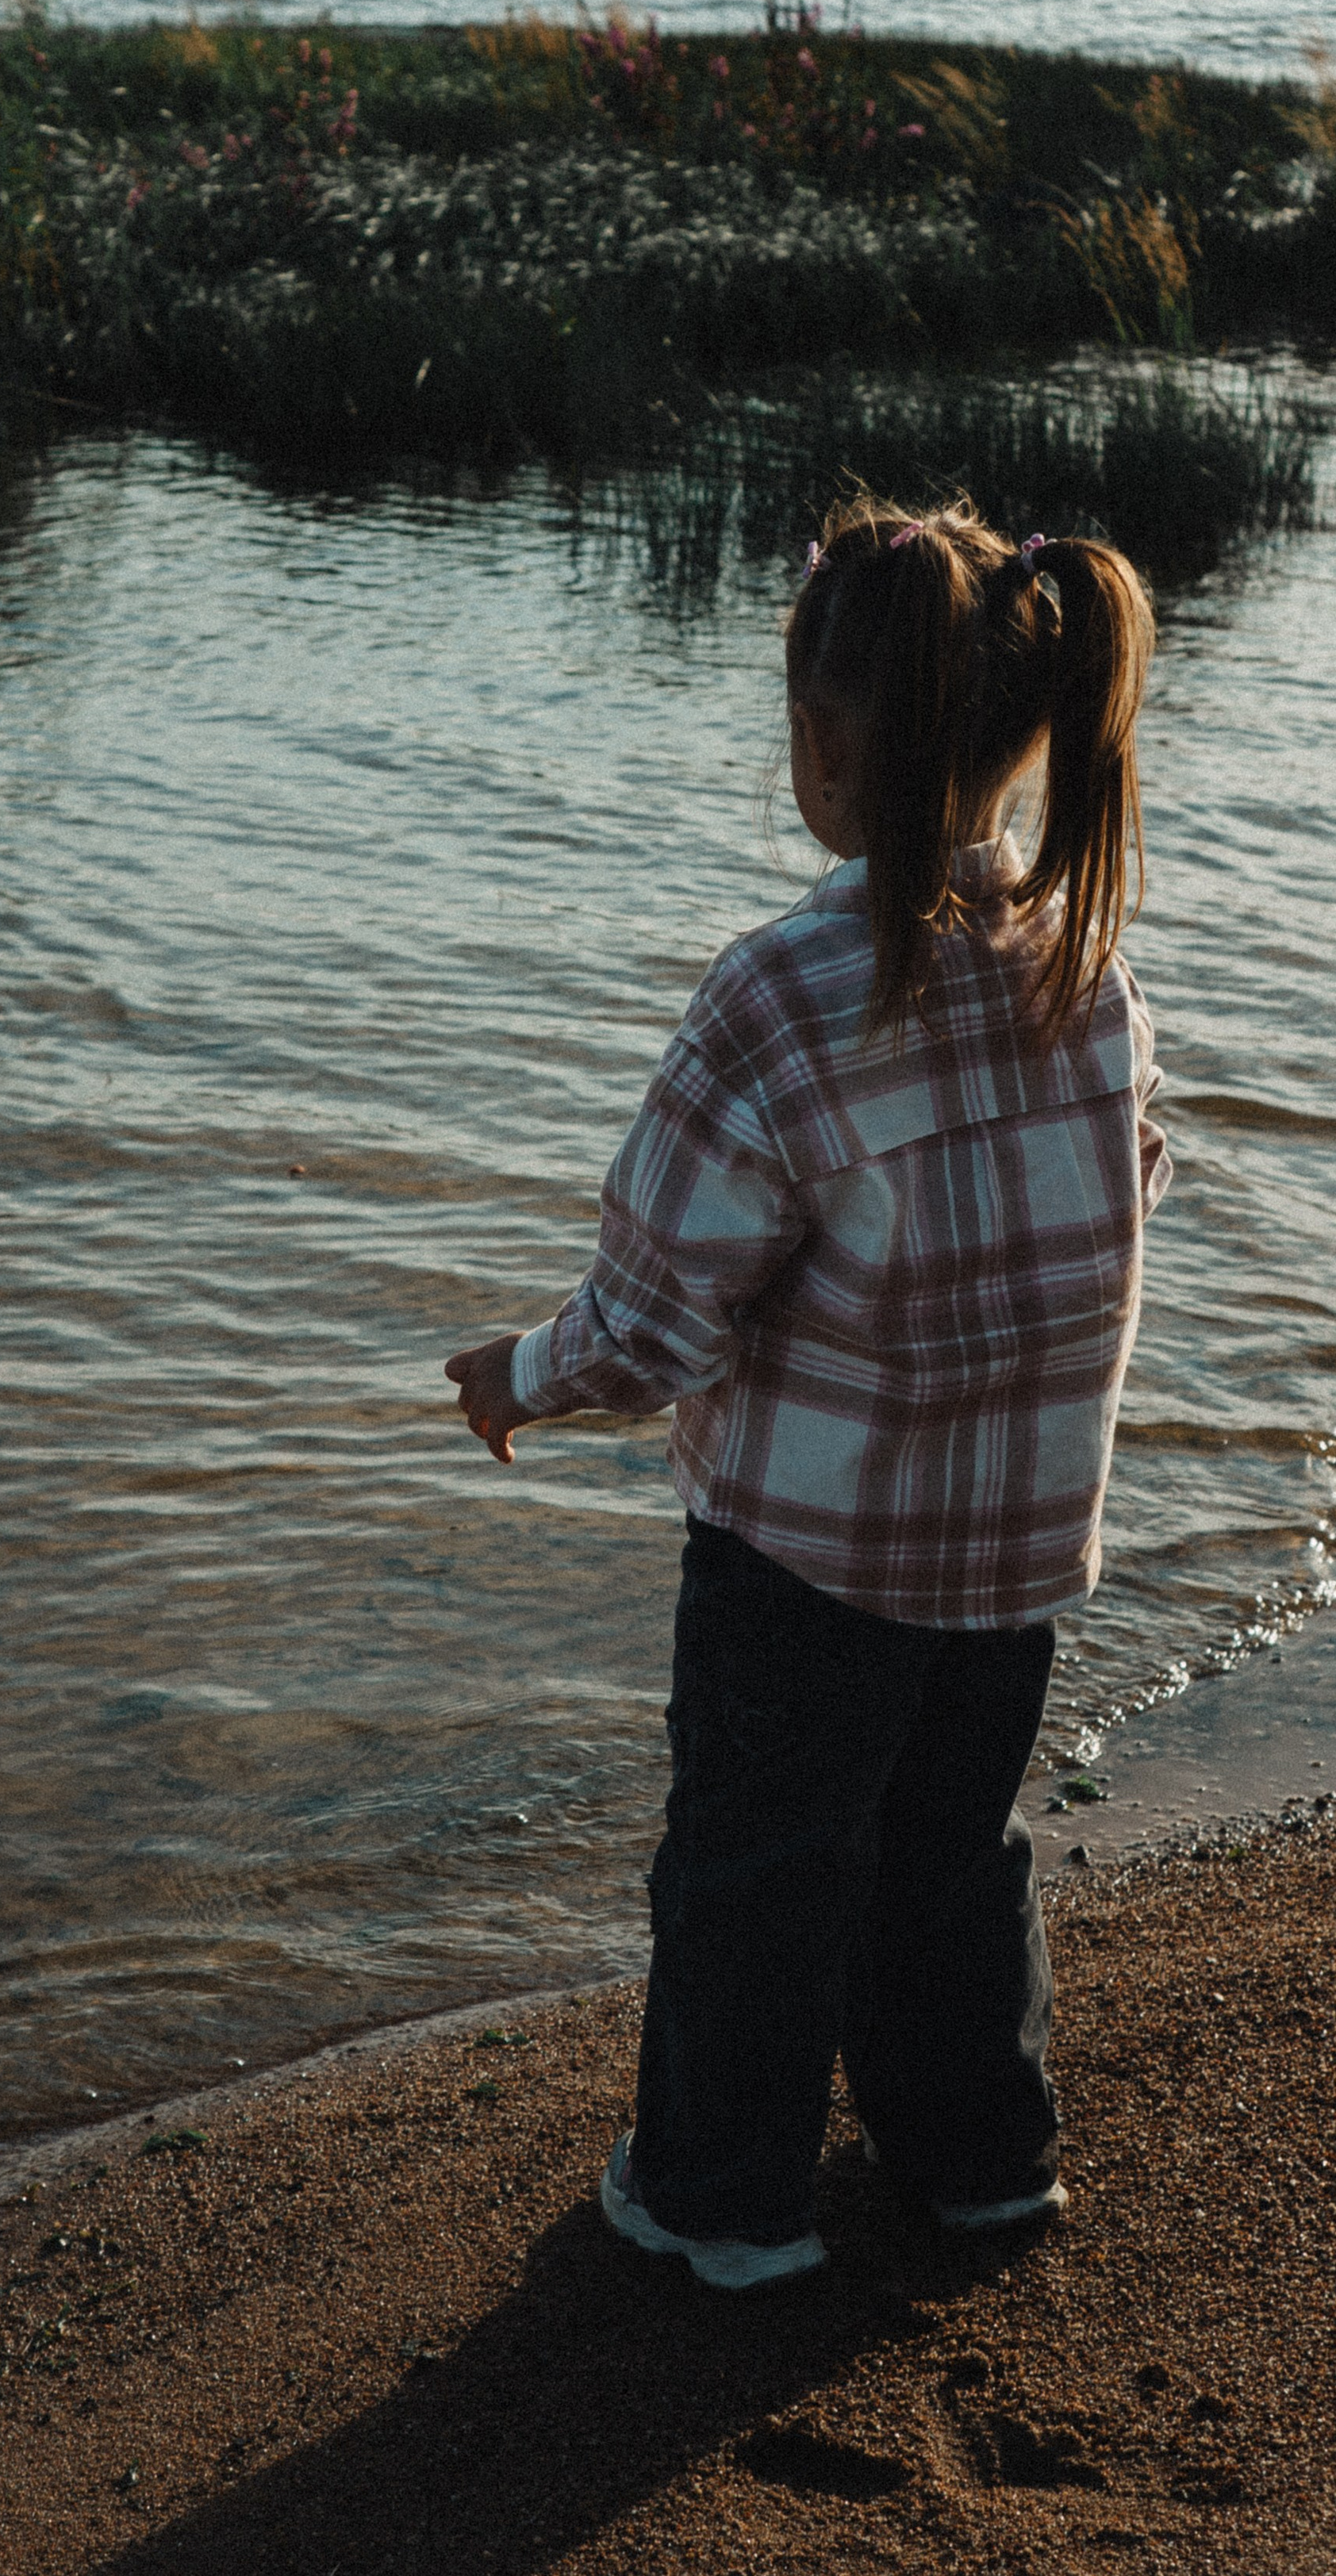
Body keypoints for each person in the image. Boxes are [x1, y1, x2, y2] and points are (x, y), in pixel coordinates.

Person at [444, 494, 1169, 2292]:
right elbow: (1128, 1182)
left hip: (807, 1563)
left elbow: (654, 1315)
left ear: (824, 743)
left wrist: (519, 1376)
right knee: (943, 1855)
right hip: (1013, 1557)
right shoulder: (1085, 962)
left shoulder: (778, 994)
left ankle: (721, 2200)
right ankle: (979, 2162)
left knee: (753, 1874)